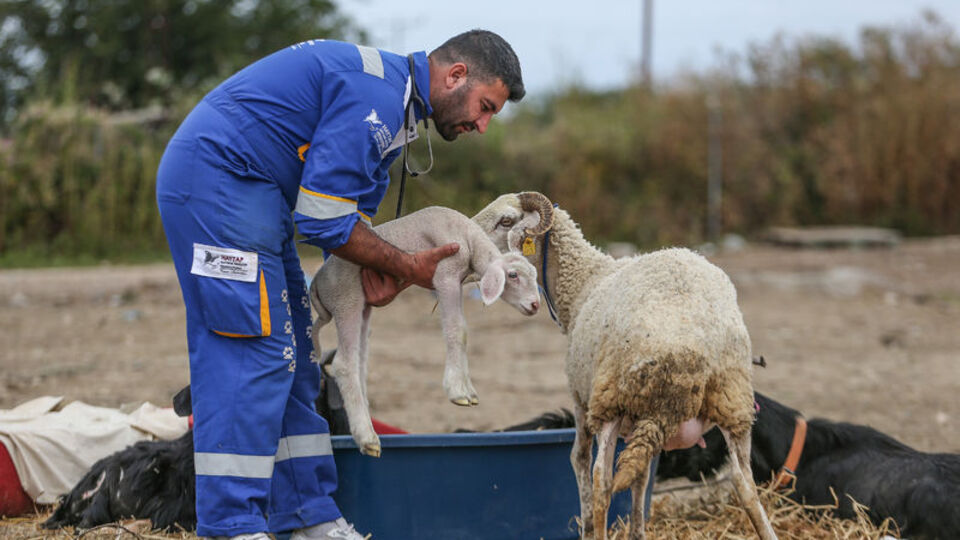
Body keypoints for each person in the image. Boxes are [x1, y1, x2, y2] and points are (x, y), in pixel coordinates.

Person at [155, 30, 524, 540]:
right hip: (217, 183)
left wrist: (385, 270)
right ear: (455, 75)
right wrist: (406, 265)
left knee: (300, 353)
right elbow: (324, 222)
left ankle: (307, 517)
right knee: (253, 347)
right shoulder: (376, 100)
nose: (482, 125)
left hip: (259, 199)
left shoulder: (396, 108)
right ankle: (231, 526)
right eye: (485, 107)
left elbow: (348, 230)